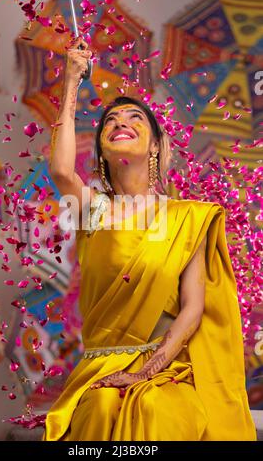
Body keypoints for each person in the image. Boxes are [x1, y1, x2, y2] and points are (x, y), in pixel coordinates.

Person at [42, 36, 257, 441]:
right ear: (103, 151)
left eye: (135, 118)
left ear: (157, 144)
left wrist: (145, 371)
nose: (121, 121)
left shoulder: (189, 218)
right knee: (103, 406)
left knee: (158, 409)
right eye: (111, 119)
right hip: (101, 370)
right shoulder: (94, 209)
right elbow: (61, 172)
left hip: (167, 370)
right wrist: (71, 83)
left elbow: (192, 310)